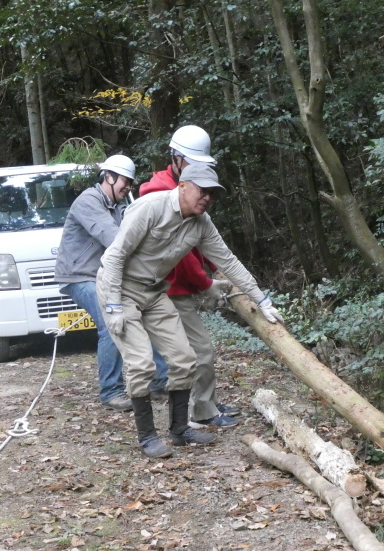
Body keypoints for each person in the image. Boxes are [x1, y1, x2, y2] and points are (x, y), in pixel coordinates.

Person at [96, 163, 283, 458]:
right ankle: (147, 437)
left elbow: (228, 261)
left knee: (185, 359)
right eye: (202, 190)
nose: (207, 198)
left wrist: (262, 300)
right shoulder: (150, 207)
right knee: (142, 364)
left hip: (154, 292)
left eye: (212, 194)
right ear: (183, 185)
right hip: (120, 288)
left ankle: (179, 430)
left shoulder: (201, 224)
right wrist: (114, 305)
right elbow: (116, 255)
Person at [139, 125, 240, 429]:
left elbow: (202, 236)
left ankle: (204, 403)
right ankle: (200, 413)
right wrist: (206, 283)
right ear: (178, 159)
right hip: (166, 288)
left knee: (197, 350)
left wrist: (216, 268)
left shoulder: (193, 189)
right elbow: (179, 254)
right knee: (199, 351)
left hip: (178, 285)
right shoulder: (158, 192)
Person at [54, 154, 168, 412]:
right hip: (79, 276)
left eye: (130, 183)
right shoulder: (89, 201)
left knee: (141, 313)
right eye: (124, 182)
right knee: (111, 321)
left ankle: (162, 381)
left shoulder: (118, 204)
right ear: (108, 177)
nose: (127, 187)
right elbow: (115, 239)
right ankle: (111, 390)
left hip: (107, 276)